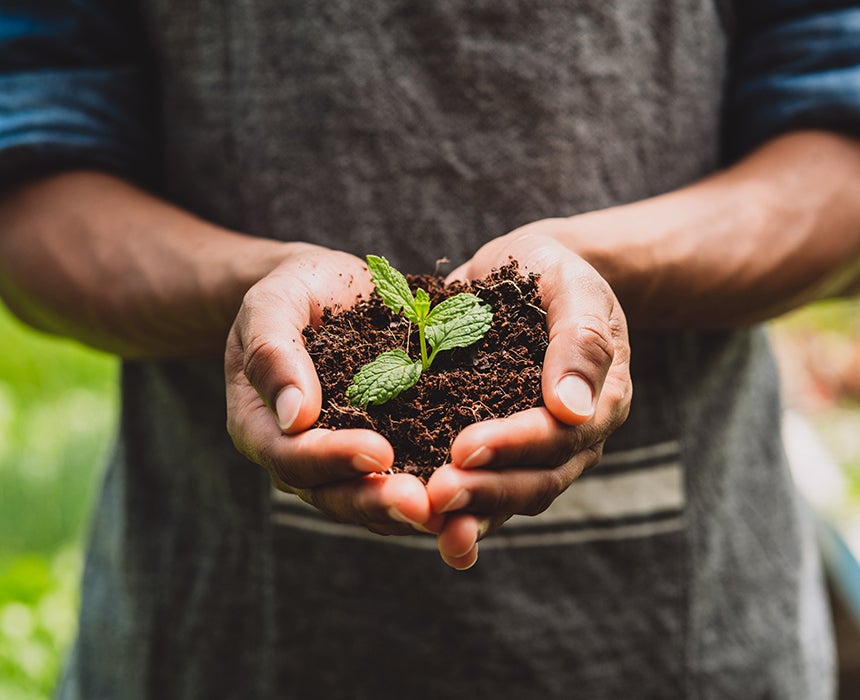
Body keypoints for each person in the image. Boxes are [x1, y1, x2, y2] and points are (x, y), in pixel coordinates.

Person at [1, 1, 858, 697]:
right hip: (211, 620)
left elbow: (839, 141)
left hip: (685, 634)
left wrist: (606, 267)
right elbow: (32, 175)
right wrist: (249, 288)